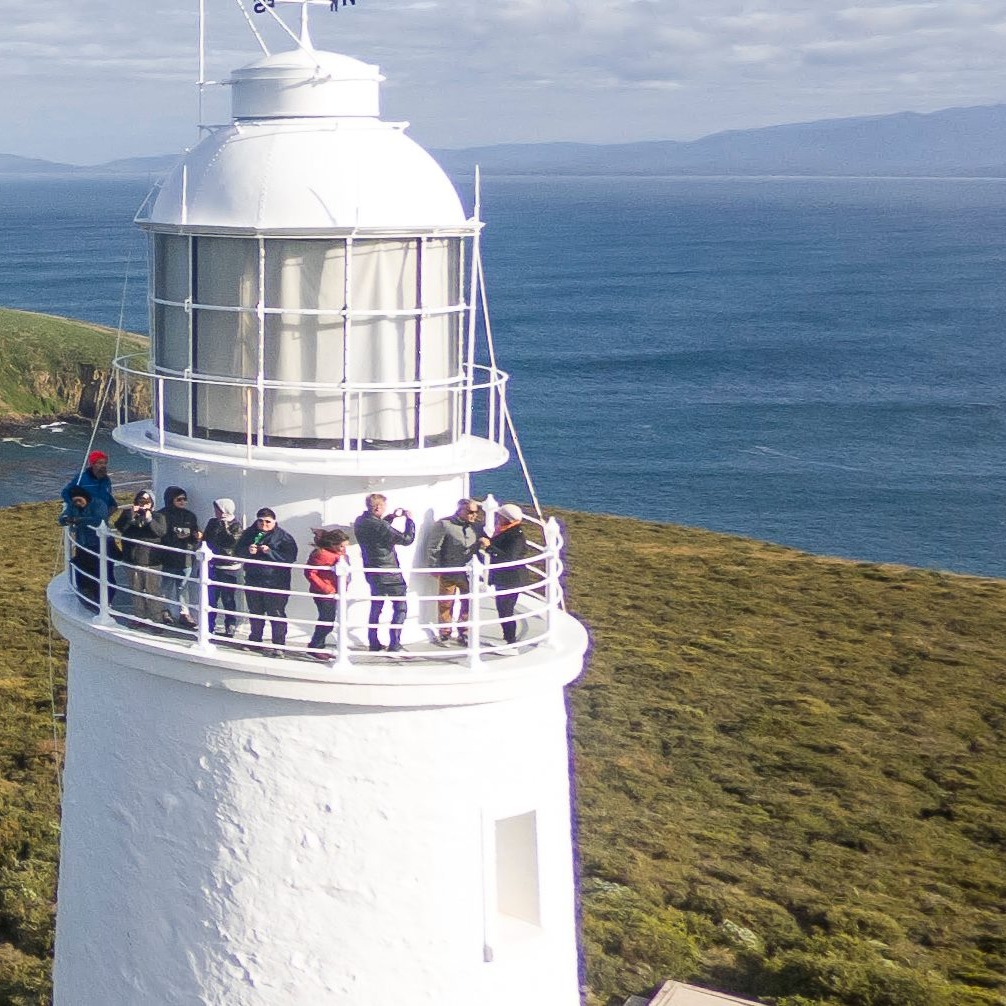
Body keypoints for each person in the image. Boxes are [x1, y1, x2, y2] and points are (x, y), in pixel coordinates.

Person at [353, 493, 415, 652]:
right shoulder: (381, 526)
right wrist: (410, 520)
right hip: (390, 573)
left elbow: (379, 529)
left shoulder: (360, 522)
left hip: (372, 571)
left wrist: (391, 517)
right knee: (400, 608)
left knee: (376, 608)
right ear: (378, 507)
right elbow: (407, 539)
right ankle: (394, 643)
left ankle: (373, 642)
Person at [234, 508, 298, 655]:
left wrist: (270, 552)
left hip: (276, 582)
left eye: (268, 521)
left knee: (276, 613)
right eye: (260, 521)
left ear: (274, 521)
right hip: (253, 578)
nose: (264, 524)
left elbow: (290, 558)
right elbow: (237, 551)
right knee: (255, 612)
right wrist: (247, 551)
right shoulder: (249, 534)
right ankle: (255, 640)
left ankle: (279, 645)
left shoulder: (283, 537)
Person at [62, 450, 118, 600]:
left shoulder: (106, 480)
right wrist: (75, 509)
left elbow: (109, 500)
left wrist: (106, 514)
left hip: (101, 527)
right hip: (84, 532)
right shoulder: (81, 478)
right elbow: (66, 493)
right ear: (92, 464)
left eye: (105, 463)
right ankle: (87, 592)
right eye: (99, 463)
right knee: (85, 562)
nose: (103, 466)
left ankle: (105, 597)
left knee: (106, 562)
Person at [426, 498, 481, 645]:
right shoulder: (444, 524)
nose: (474, 515)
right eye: (470, 512)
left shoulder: (476, 526)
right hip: (449, 570)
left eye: (476, 512)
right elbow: (434, 547)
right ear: (460, 510)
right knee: (445, 603)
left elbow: (483, 540)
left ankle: (463, 632)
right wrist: (434, 567)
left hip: (468, 572)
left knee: (467, 603)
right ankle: (445, 633)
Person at [113, 489, 166, 626]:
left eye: (147, 501)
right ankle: (139, 617)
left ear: (152, 503)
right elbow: (121, 528)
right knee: (135, 591)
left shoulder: (158, 517)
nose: (143, 504)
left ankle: (156, 621)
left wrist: (149, 519)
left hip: (151, 561)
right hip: (132, 560)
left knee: (153, 592)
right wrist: (131, 517)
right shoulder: (128, 515)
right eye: (140, 501)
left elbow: (160, 532)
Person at [155, 486, 202, 629]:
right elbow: (162, 534)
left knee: (183, 587)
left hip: (186, 557)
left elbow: (193, 532)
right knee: (166, 587)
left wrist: (195, 536)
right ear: (170, 500)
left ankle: (184, 613)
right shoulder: (161, 515)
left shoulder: (190, 516)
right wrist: (181, 533)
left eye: (184, 499)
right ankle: (164, 611)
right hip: (168, 557)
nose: (183, 502)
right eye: (179, 499)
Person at [481, 503, 528, 646]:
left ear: (506, 518)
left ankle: (510, 642)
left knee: (506, 611)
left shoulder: (515, 536)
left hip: (511, 579)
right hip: (506, 578)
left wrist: (489, 547)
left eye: (500, 516)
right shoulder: (507, 531)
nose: (497, 518)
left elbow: (509, 558)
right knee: (503, 610)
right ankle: (508, 639)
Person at [58, 485, 109, 612]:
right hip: (82, 544)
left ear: (85, 497)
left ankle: (102, 601)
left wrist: (80, 520)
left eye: (79, 500)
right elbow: (62, 518)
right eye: (75, 501)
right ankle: (87, 597)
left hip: (98, 545)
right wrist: (66, 519)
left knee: (99, 572)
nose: (78, 503)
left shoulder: (98, 504)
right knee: (82, 570)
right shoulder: (73, 505)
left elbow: (99, 520)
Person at [304, 528, 350, 660]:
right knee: (327, 620)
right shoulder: (321, 554)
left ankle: (318, 646)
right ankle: (315, 647)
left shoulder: (336, 553)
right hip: (324, 593)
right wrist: (325, 588)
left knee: (327, 619)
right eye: (341, 546)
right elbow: (310, 573)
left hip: (335, 591)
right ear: (332, 544)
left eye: (344, 546)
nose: (343, 549)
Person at [203, 498, 242, 637]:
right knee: (211, 599)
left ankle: (230, 626)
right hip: (213, 565)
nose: (216, 512)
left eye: (218, 509)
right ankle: (208, 626)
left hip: (229, 568)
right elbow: (206, 539)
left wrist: (225, 525)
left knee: (228, 599)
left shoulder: (236, 525)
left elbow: (231, 541)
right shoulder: (213, 522)